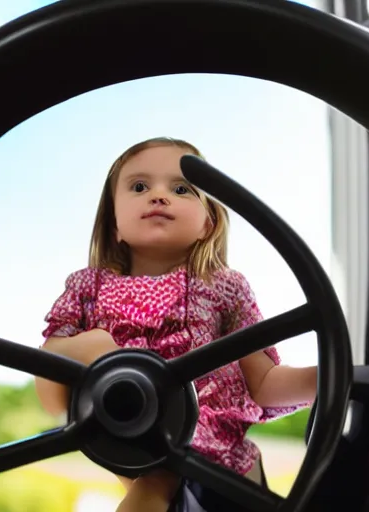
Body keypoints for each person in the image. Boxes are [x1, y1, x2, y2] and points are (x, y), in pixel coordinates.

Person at [34, 137, 317, 512]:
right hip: (139, 448)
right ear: (114, 223)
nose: (159, 196)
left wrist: (328, 378)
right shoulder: (88, 287)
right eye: (139, 186)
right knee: (155, 478)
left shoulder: (225, 287)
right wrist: (93, 349)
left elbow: (263, 383)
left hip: (228, 468)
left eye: (181, 188)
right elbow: (52, 397)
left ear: (207, 223)